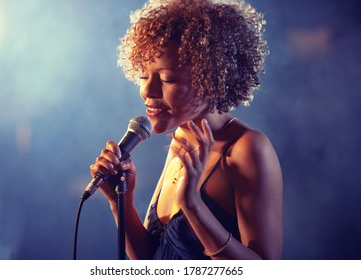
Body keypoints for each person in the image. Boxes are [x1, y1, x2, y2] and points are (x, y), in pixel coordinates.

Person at [90, 0, 283, 260]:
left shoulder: (248, 149)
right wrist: (120, 202)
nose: (147, 91)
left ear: (211, 78)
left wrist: (193, 206)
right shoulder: (181, 137)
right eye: (144, 76)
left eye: (167, 78)